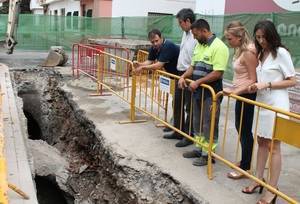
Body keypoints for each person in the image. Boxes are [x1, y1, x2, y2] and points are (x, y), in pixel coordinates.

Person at [243, 20, 296, 204]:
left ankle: (272, 189)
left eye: (264, 37)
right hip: (263, 102)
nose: (261, 40)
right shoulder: (261, 53)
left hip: (277, 104)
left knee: (274, 146)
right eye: (258, 37)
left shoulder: (281, 53)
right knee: (262, 142)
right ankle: (258, 180)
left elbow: (292, 80)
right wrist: (255, 86)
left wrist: (268, 84)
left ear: (272, 36)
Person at [179, 19, 229, 166]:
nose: (193, 37)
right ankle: (199, 149)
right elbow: (192, 66)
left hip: (211, 94)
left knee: (209, 123)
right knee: (197, 121)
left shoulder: (219, 47)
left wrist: (198, 82)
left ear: (203, 31)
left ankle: (209, 155)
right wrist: (183, 77)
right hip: (197, 91)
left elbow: (217, 73)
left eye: (195, 34)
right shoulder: (199, 45)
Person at [223, 21, 258, 179]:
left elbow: (253, 79)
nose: (228, 41)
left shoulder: (249, 52)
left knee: (244, 130)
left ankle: (245, 167)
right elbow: (241, 76)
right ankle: (245, 161)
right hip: (240, 93)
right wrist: (233, 89)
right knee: (240, 127)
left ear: (238, 37)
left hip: (247, 95)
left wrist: (236, 91)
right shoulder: (239, 50)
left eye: (229, 38)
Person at [163, 8, 197, 148]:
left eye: (181, 23)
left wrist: (185, 75)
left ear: (188, 21)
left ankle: (188, 135)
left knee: (189, 106)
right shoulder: (185, 34)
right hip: (180, 74)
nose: (180, 26)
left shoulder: (196, 36)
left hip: (189, 75)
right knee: (177, 102)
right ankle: (178, 130)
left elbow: (194, 60)